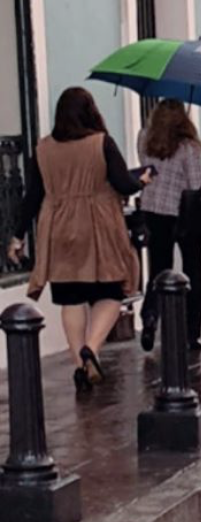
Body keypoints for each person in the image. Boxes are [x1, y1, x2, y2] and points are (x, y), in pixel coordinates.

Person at [7, 86, 150, 391]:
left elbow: (32, 197)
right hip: (98, 227)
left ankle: (79, 364)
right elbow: (124, 184)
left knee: (70, 297)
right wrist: (143, 180)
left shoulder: (43, 149)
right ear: (90, 111)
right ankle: (92, 348)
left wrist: (17, 236)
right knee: (111, 292)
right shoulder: (101, 143)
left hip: (58, 228)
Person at [136, 100, 201, 354]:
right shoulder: (189, 148)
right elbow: (195, 185)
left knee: (158, 268)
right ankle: (191, 332)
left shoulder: (144, 139)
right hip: (183, 214)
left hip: (153, 211)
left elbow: (146, 171)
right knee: (193, 270)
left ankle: (151, 314)